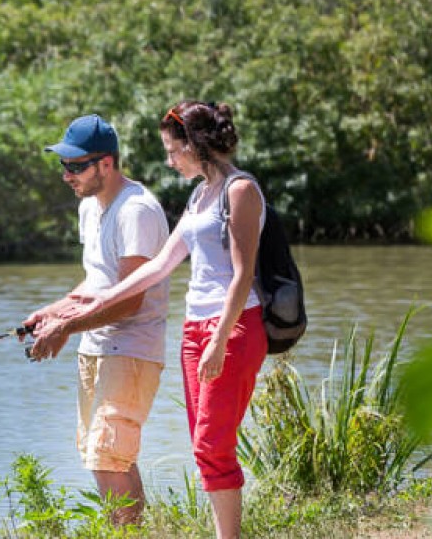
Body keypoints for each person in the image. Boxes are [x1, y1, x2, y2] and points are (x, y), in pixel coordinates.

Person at [37, 101, 266, 539]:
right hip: (194, 329)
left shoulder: (240, 190)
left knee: (211, 444)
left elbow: (243, 274)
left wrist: (219, 339)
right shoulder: (200, 195)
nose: (169, 159)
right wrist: (71, 313)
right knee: (205, 446)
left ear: (196, 145)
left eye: (172, 150)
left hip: (231, 326)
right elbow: (158, 266)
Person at [20, 113, 170, 526]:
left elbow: (130, 299)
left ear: (107, 163)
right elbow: (96, 284)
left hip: (132, 347)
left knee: (108, 454)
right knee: (103, 453)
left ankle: (126, 533)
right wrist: (51, 313)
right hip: (96, 346)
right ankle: (131, 533)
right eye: (63, 165)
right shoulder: (90, 208)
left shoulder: (136, 210)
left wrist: (66, 326)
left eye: (75, 166)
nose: (67, 175)